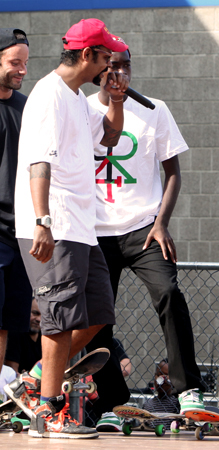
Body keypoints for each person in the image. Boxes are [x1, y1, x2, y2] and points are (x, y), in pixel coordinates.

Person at [6, 19, 130, 440]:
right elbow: (39, 161)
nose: (110, 63)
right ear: (85, 55)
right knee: (58, 320)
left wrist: (115, 98)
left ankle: (40, 376)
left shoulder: (78, 98)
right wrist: (42, 221)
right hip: (53, 222)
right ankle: (49, 409)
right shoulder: (48, 95)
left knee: (99, 313)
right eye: (105, 56)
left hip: (82, 227)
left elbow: (109, 138)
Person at [85, 45, 207, 430]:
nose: (120, 73)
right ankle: (113, 401)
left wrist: (161, 221)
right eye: (112, 66)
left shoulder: (154, 109)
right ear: (98, 70)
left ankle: (188, 390)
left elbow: (173, 173)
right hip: (96, 230)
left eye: (125, 66)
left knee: (169, 293)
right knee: (98, 319)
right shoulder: (82, 108)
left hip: (144, 229)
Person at [0, 27, 32, 396]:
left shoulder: (27, 107)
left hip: (21, 228)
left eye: (25, 62)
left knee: (10, 318)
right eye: (14, 62)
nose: (22, 70)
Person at [5, 298, 42, 373]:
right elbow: (12, 372)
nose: (39, 319)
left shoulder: (46, 338)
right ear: (26, 311)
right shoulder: (15, 334)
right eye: (35, 313)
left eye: (43, 316)